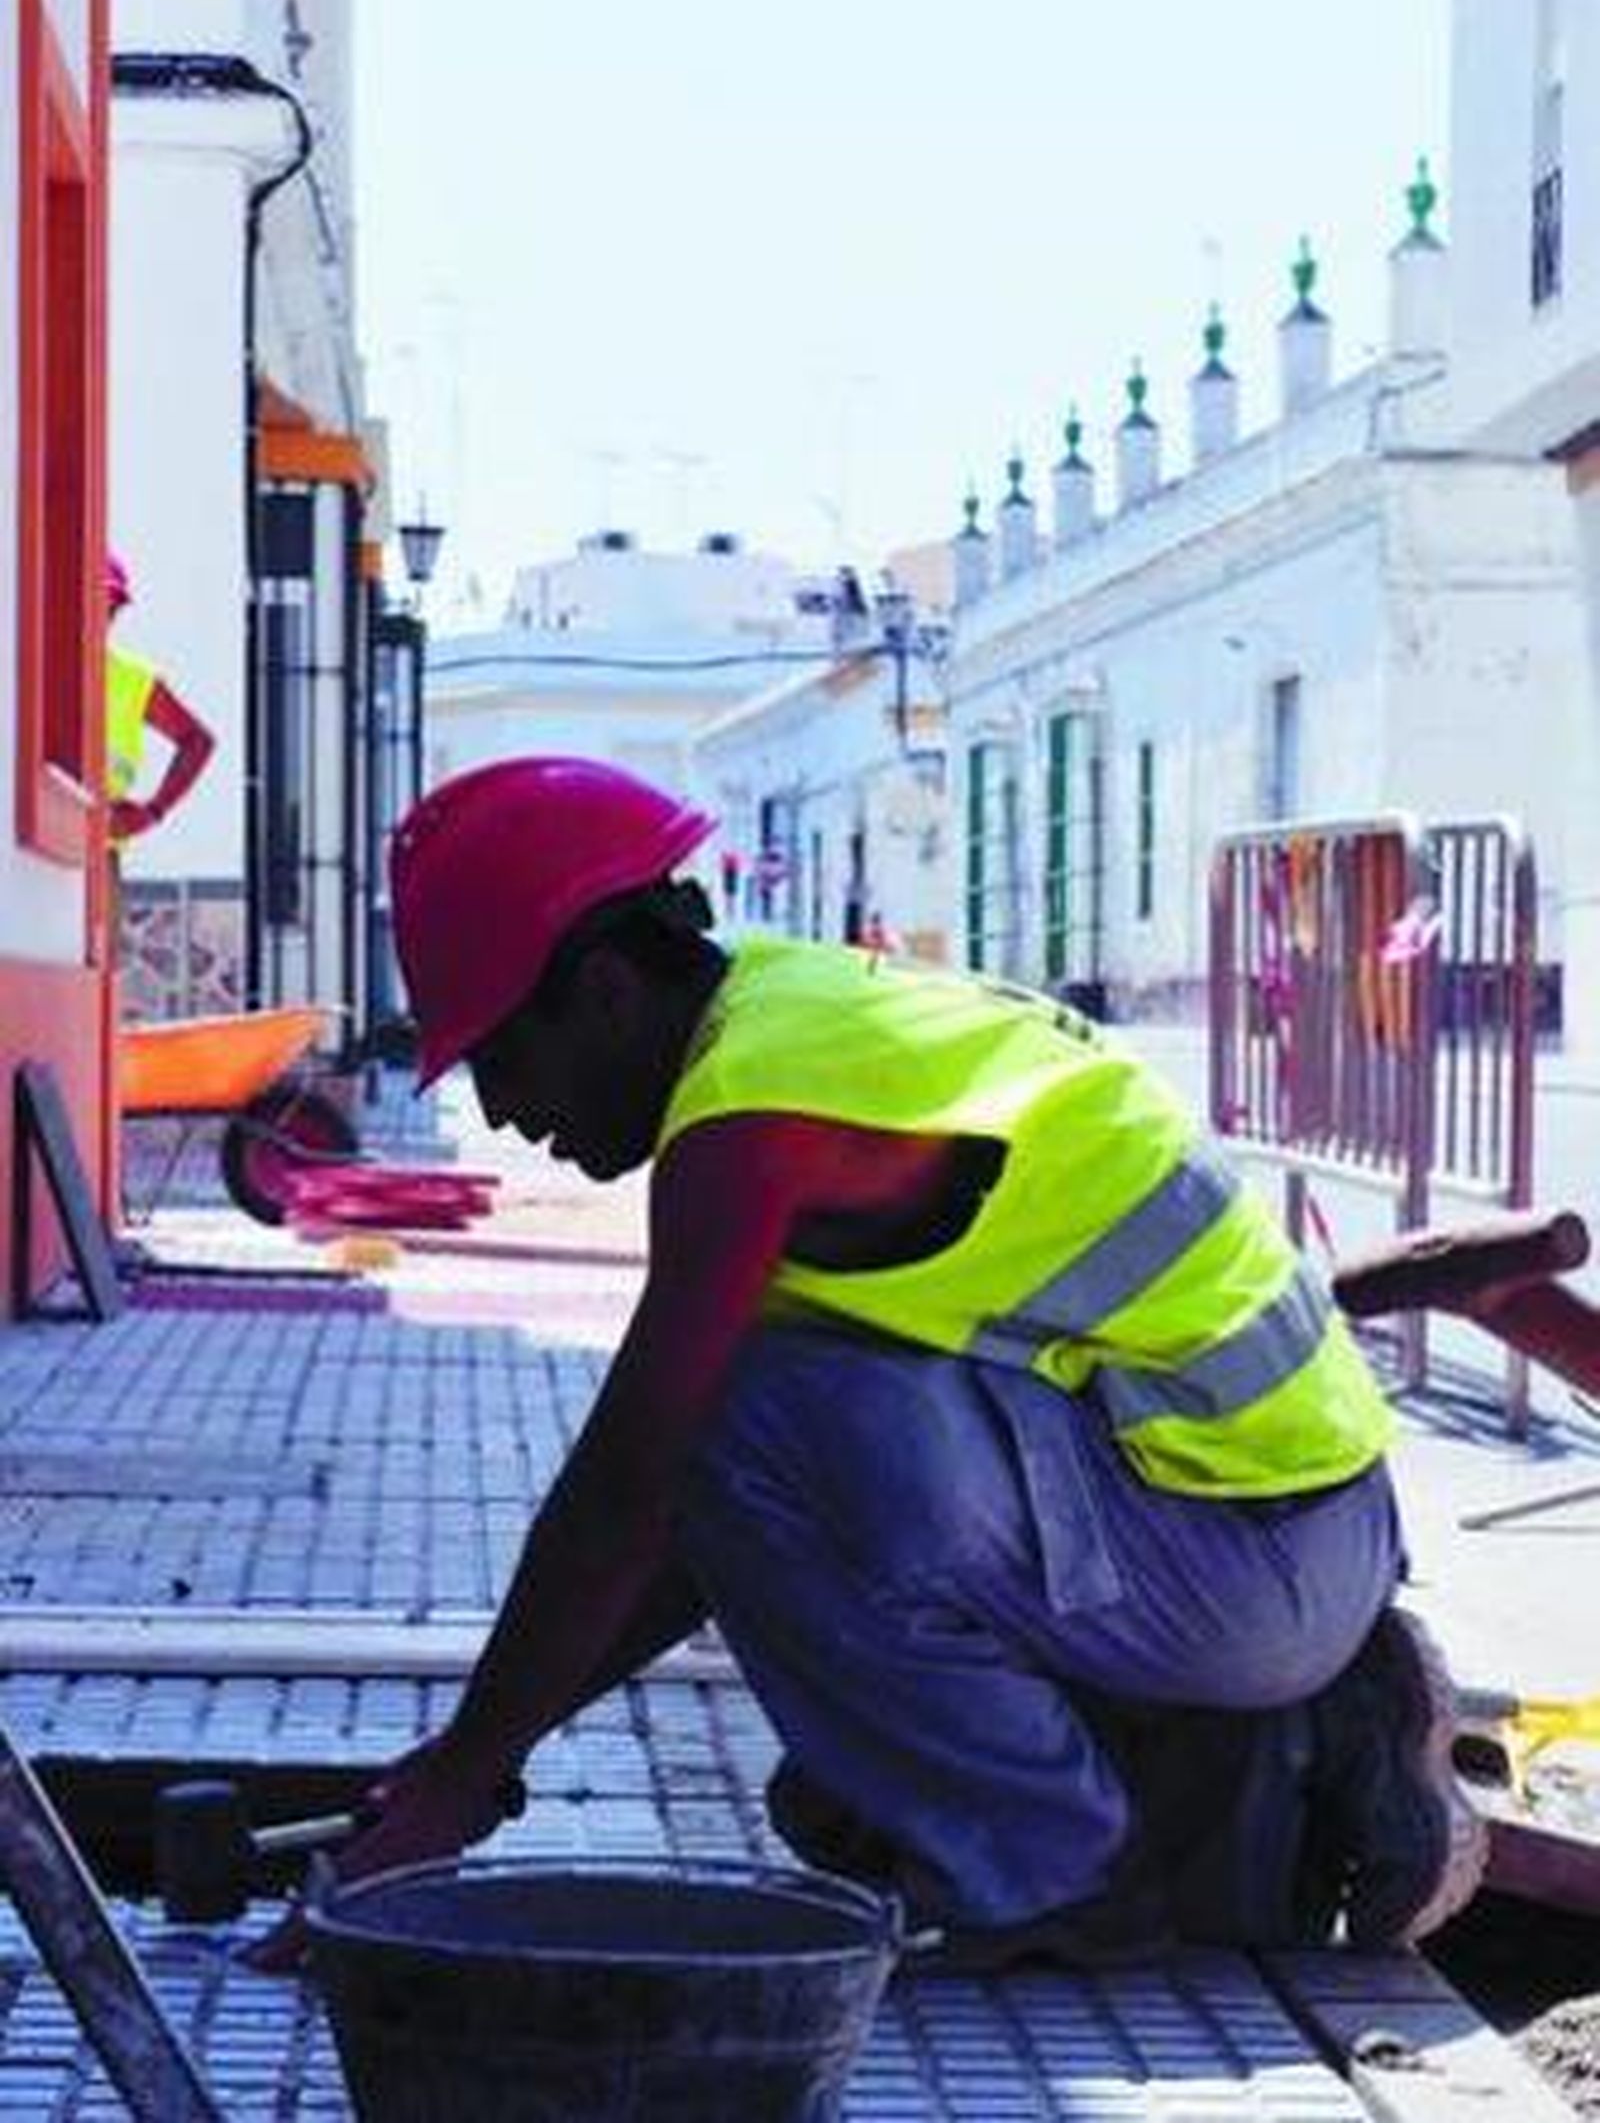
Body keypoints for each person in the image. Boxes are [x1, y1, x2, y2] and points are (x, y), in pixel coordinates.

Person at [256, 754, 1486, 1971]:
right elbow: (703, 1533)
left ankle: (1064, 1872)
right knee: (844, 1776)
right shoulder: (791, 1010)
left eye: (502, 1059)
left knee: (741, 1422)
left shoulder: (750, 1128)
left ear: (610, 988)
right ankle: (1275, 1738)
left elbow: (634, 1482)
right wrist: (479, 1762)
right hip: (1286, 1525)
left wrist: (469, 1776)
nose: (509, 1114)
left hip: (1255, 1561)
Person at [105, 553, 215, 843]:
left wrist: (153, 811)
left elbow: (198, 740)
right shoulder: (40, 666)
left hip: (103, 851)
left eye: (111, 607)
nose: (105, 615)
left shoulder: (133, 679)